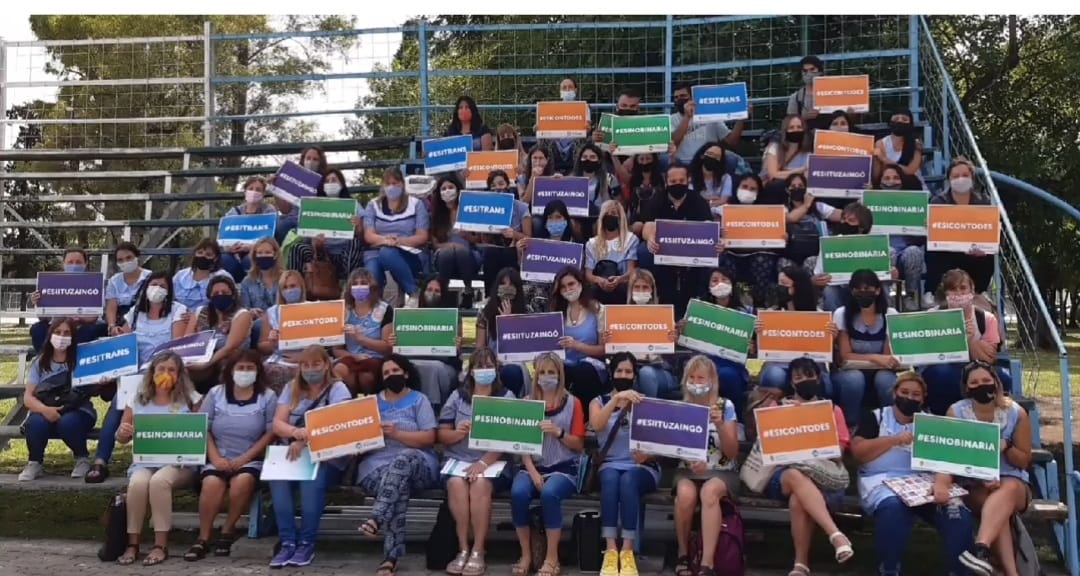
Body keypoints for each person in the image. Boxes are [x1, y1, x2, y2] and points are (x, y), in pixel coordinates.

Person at [851, 371, 974, 576]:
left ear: (923, 398)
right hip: (883, 481)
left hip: (924, 482)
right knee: (893, 508)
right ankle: (889, 569)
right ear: (894, 393)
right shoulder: (875, 417)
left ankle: (960, 571)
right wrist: (894, 440)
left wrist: (942, 483)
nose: (909, 397)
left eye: (916, 394)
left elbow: (945, 459)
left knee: (957, 513)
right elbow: (858, 452)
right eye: (904, 392)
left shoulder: (931, 423)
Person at [86, 272, 190, 484]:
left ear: (169, 291)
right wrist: (117, 333)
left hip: (165, 373)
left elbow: (176, 346)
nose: (157, 289)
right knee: (119, 403)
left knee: (127, 397)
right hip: (136, 374)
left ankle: (161, 460)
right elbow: (123, 342)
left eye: (163, 286)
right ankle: (101, 460)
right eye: (154, 284)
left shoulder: (178, 311)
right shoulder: (135, 313)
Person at [755, 358, 854, 575]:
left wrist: (810, 424)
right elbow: (768, 446)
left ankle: (801, 564)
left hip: (822, 475)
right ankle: (835, 535)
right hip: (782, 474)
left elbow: (839, 451)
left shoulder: (832, 410)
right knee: (794, 474)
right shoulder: (778, 408)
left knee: (798, 499)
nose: (804, 380)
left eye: (809, 375)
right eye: (798, 377)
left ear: (818, 378)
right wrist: (791, 419)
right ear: (791, 383)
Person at [186, 350, 277, 561]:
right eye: (240, 367)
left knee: (242, 482)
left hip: (250, 458)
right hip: (218, 455)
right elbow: (203, 427)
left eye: (249, 368)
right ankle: (203, 537)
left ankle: (227, 531)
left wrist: (245, 459)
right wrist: (216, 458)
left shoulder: (268, 396)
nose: (245, 372)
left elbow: (270, 433)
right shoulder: (216, 393)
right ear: (231, 370)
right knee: (211, 483)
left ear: (258, 371)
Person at [945, 362, 1033, 576]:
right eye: (974, 382)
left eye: (986, 380)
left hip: (1013, 482)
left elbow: (1024, 461)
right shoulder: (956, 412)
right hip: (975, 484)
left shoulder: (1016, 412)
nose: (981, 385)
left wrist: (1007, 447)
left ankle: (981, 547)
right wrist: (982, 478)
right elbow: (952, 458)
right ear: (967, 387)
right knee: (997, 510)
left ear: (996, 382)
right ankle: (1009, 572)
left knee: (1007, 489)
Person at [268, 346, 352, 569]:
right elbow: (278, 423)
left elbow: (338, 425)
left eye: (316, 364)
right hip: (293, 452)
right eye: (305, 365)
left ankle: (307, 542)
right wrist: (295, 432)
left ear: (326, 365)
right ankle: (287, 542)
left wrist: (305, 441)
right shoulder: (291, 387)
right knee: (278, 481)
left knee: (311, 480)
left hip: (327, 456)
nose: (310, 369)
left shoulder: (338, 389)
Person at [356, 355, 440, 576]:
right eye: (386, 373)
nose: (391, 375)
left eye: (395, 371)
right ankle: (390, 557)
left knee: (404, 458)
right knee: (396, 486)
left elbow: (429, 438)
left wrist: (397, 434)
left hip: (418, 464)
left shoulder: (419, 400)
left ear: (406, 373)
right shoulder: (371, 403)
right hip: (377, 466)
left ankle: (377, 518)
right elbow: (360, 440)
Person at [115, 352, 201, 566]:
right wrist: (123, 432)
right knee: (137, 484)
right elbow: (121, 437)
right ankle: (133, 543)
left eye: (171, 370)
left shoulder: (191, 398)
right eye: (161, 369)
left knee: (159, 482)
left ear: (179, 374)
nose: (166, 374)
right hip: (145, 461)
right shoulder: (138, 399)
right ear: (152, 372)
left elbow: (201, 430)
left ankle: (160, 545)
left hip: (179, 463)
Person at [438, 349, 516, 576]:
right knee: (456, 484)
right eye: (479, 366)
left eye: (489, 365)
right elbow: (442, 434)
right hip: (459, 459)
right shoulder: (457, 396)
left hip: (494, 463)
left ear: (497, 368)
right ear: (471, 371)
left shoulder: (507, 397)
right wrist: (457, 434)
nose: (484, 370)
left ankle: (478, 550)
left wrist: (483, 464)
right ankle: (463, 548)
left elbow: (509, 439)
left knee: (480, 484)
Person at [510, 352, 586, 576]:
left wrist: (559, 432)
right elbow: (521, 445)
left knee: (550, 494)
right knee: (518, 493)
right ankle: (525, 554)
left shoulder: (573, 403)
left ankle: (552, 558)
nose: (546, 376)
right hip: (532, 466)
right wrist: (532, 472)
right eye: (542, 372)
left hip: (564, 467)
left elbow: (578, 444)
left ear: (559, 375)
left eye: (551, 372)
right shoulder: (527, 402)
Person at [671, 355, 740, 576]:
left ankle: (706, 564)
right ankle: (683, 554)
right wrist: (690, 460)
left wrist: (720, 425)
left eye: (700, 378)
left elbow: (732, 452)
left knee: (710, 492)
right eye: (691, 377)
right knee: (685, 494)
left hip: (722, 471)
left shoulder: (725, 406)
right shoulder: (681, 407)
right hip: (688, 470)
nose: (695, 382)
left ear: (712, 380)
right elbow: (673, 445)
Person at [591, 353, 658, 576]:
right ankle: (611, 550)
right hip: (610, 464)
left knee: (628, 480)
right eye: (619, 371)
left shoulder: (646, 403)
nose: (623, 375)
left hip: (642, 467)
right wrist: (616, 399)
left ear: (635, 376)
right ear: (612, 374)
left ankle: (627, 550)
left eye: (628, 372)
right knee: (611, 479)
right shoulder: (598, 401)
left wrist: (648, 456)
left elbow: (659, 442)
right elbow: (597, 424)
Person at [921, 269, 1011, 416]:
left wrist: (969, 340)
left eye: (963, 288)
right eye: (953, 289)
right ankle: (943, 418)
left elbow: (989, 358)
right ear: (946, 293)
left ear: (972, 290)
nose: (958, 294)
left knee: (1002, 377)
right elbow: (929, 351)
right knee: (942, 374)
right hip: (944, 367)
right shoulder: (933, 316)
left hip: (974, 367)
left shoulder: (986, 319)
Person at [18, 318, 94, 482]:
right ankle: (34, 462)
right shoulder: (40, 362)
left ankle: (82, 459)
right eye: (58, 332)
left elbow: (92, 388)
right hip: (46, 408)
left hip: (77, 409)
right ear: (50, 334)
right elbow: (28, 397)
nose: (62, 337)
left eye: (67, 333)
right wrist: (45, 410)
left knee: (68, 422)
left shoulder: (82, 359)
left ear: (73, 336)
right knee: (35, 423)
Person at [676, 265, 755, 417]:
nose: (720, 283)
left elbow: (750, 349)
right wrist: (682, 331)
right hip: (703, 362)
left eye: (724, 280)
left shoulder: (745, 313)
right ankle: (692, 418)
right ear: (708, 286)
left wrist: (751, 346)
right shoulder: (698, 309)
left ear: (732, 284)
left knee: (728, 375)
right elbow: (686, 341)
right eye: (715, 280)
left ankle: (735, 420)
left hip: (732, 365)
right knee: (696, 372)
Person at [640, 163, 714, 319]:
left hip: (692, 252)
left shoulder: (698, 201)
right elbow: (648, 225)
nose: (677, 184)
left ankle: (699, 305)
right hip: (664, 251)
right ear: (666, 182)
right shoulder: (657, 199)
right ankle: (655, 300)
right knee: (643, 252)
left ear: (688, 180)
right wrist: (650, 238)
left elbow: (708, 227)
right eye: (673, 181)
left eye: (681, 181)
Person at [830, 270, 901, 427]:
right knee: (853, 379)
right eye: (858, 289)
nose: (863, 293)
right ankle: (851, 424)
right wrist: (874, 357)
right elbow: (845, 356)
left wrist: (878, 359)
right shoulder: (842, 314)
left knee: (886, 379)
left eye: (868, 289)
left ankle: (888, 423)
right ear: (851, 291)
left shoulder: (890, 314)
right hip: (851, 372)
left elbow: (888, 358)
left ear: (878, 290)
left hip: (881, 371)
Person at [386, 274, 462, 408]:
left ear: (443, 294)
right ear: (423, 291)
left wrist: (457, 346)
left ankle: (432, 409)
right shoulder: (408, 315)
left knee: (434, 368)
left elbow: (456, 354)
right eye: (429, 290)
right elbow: (397, 351)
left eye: (437, 291)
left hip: (442, 364)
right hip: (411, 360)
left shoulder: (453, 317)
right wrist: (393, 342)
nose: (432, 293)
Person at [924, 157, 995, 298]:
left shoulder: (984, 201)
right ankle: (931, 291)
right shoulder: (938, 201)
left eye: (965, 175)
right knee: (932, 250)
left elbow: (988, 228)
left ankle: (980, 291)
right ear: (949, 179)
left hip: (972, 251)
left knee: (987, 255)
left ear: (972, 178)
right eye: (955, 176)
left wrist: (986, 245)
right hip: (947, 252)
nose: (960, 179)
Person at [363, 166, 431, 306]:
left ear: (402, 184)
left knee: (387, 253)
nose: (391, 187)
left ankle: (414, 293)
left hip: (408, 253)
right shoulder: (373, 205)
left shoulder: (416, 204)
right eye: (388, 183)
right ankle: (378, 308)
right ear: (383, 185)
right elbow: (369, 235)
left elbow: (422, 236)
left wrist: (399, 241)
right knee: (372, 271)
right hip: (377, 251)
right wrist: (385, 240)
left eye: (395, 183)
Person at [606, 269, 678, 399]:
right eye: (637, 287)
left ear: (652, 290)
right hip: (631, 367)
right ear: (631, 290)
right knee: (624, 374)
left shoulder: (663, 315)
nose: (641, 291)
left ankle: (648, 409)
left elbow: (670, 354)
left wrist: (673, 340)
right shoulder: (620, 316)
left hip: (658, 370)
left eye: (645, 287)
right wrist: (608, 340)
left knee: (645, 374)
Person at [720, 173, 786, 306]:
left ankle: (759, 304)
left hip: (759, 253)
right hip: (732, 253)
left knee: (763, 259)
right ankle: (731, 303)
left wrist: (782, 237)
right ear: (737, 187)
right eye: (744, 187)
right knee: (724, 259)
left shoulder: (769, 212)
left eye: (752, 189)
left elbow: (776, 238)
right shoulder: (723, 210)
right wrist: (720, 236)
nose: (748, 191)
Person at [289, 168, 365, 281]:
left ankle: (349, 285)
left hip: (344, 254)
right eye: (327, 181)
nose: (330, 183)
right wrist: (315, 243)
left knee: (355, 243)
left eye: (334, 180)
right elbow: (304, 237)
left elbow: (362, 237)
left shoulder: (354, 205)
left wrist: (359, 226)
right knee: (298, 248)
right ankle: (294, 284)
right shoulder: (311, 206)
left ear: (341, 184)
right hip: (319, 253)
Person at [185, 276, 254, 394]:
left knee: (225, 365)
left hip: (230, 357)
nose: (220, 295)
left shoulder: (242, 314)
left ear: (233, 294)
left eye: (225, 292)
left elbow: (230, 347)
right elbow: (187, 340)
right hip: (202, 356)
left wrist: (207, 364)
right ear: (210, 296)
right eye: (216, 293)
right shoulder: (200, 312)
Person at [29, 247, 106, 353]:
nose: (74, 265)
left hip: (81, 327)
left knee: (90, 330)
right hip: (56, 325)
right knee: (37, 329)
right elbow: (43, 318)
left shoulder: (94, 284)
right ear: (63, 264)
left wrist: (78, 318)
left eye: (78, 262)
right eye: (70, 262)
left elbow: (93, 317)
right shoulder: (50, 283)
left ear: (85, 264)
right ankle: (44, 360)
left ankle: (72, 360)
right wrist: (38, 303)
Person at [875, 164, 930, 310]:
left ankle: (909, 296)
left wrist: (923, 226)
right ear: (880, 181)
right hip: (881, 251)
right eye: (887, 178)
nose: (891, 181)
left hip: (906, 252)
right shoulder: (871, 203)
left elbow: (921, 241)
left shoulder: (912, 204)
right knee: (890, 252)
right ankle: (889, 300)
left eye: (895, 178)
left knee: (914, 252)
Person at [551, 267, 608, 405]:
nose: (568, 289)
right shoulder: (557, 312)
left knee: (582, 371)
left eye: (571, 284)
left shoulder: (598, 309)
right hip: (565, 364)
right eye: (563, 287)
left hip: (591, 366)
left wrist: (577, 345)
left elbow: (603, 349)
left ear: (580, 284)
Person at [333, 268, 394, 395]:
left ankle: (369, 402)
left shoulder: (384, 309)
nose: (359, 287)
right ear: (349, 288)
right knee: (339, 370)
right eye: (355, 284)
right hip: (351, 357)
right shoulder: (343, 311)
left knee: (365, 377)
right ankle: (348, 401)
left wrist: (360, 338)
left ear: (372, 287)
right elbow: (337, 350)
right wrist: (355, 356)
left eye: (363, 283)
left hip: (375, 358)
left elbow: (387, 347)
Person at [475, 267, 531, 397]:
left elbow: (526, 348)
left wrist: (508, 324)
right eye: (503, 283)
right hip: (492, 362)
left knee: (511, 371)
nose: (507, 288)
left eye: (511, 285)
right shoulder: (485, 313)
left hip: (518, 363)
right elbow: (480, 347)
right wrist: (492, 361)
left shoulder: (527, 312)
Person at [431, 174, 480, 308]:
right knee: (447, 253)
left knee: (462, 252)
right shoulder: (436, 215)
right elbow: (435, 244)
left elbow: (480, 240)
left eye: (451, 187)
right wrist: (451, 245)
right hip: (444, 254)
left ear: (458, 189)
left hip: (469, 255)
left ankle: (468, 291)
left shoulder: (469, 211)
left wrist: (467, 237)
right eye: (444, 188)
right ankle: (444, 293)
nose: (447, 191)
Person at [481, 169, 532, 296]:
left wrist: (514, 234)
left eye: (501, 184)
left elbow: (529, 237)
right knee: (490, 253)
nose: (497, 188)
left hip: (516, 249)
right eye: (493, 185)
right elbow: (484, 240)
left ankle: (513, 296)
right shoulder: (486, 208)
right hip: (493, 249)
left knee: (508, 254)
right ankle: (490, 296)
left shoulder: (521, 207)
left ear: (508, 185)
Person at [257, 269, 309, 392]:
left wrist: (303, 357)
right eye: (285, 287)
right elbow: (262, 345)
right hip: (280, 359)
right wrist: (272, 342)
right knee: (270, 371)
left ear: (301, 287)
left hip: (308, 358)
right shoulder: (272, 312)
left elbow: (323, 343)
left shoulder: (314, 309)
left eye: (293, 286)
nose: (289, 290)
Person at [221, 177, 280, 281]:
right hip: (235, 253)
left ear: (263, 193)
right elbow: (225, 237)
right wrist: (229, 248)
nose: (254, 192)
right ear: (245, 191)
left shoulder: (268, 211)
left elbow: (270, 237)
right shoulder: (234, 212)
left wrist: (252, 247)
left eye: (258, 189)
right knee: (224, 259)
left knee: (250, 260)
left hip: (258, 251)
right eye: (251, 188)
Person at [671, 83, 745, 166]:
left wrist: (742, 118)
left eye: (683, 96)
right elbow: (673, 142)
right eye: (676, 97)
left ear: (692, 97)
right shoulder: (672, 119)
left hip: (708, 160)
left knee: (733, 158)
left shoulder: (710, 115)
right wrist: (687, 117)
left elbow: (731, 142)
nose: (679, 99)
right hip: (683, 162)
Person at [585, 199, 638, 305]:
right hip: (599, 290)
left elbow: (631, 270)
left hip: (622, 288)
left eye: (613, 213)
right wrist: (600, 280)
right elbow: (588, 274)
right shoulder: (592, 244)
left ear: (620, 218)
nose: (609, 216)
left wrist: (619, 279)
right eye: (606, 214)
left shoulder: (631, 240)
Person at [104, 241, 151, 335]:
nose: (125, 262)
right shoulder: (114, 281)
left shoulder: (150, 277)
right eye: (120, 260)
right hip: (121, 324)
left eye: (129, 258)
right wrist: (112, 327)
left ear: (136, 257)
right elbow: (111, 306)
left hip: (145, 323)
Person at [173, 239, 232, 310]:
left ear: (216, 258)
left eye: (208, 254)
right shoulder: (181, 275)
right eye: (200, 253)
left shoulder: (223, 276)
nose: (203, 256)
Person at [873, 109, 923, 182]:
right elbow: (878, 174)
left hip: (912, 183)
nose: (900, 121)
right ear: (889, 122)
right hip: (890, 183)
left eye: (904, 119)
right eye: (896, 119)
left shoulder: (916, 144)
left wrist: (884, 159)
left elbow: (910, 171)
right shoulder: (881, 143)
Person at [239, 237, 282, 315]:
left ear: (275, 255)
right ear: (255, 256)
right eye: (259, 253)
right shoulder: (247, 282)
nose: (263, 256)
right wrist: (251, 312)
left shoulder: (285, 278)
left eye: (268, 252)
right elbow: (244, 310)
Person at [762, 115, 811, 182]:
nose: (795, 130)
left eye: (799, 127)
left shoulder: (808, 153)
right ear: (785, 131)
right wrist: (800, 171)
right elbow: (773, 174)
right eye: (791, 127)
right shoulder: (774, 148)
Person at [787, 55, 825, 122]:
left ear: (820, 71)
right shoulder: (796, 98)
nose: (808, 73)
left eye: (812, 69)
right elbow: (789, 122)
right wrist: (804, 117)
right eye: (805, 70)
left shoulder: (832, 93)